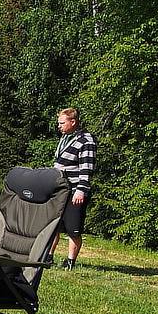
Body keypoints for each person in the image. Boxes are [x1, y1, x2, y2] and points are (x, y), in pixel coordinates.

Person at [47, 108, 97, 270]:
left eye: (62, 123)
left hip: (75, 191)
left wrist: (81, 190)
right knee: (54, 225)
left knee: (72, 228)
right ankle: (48, 257)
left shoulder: (85, 140)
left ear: (73, 122)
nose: (59, 126)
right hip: (61, 190)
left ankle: (70, 262)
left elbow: (86, 168)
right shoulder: (66, 137)